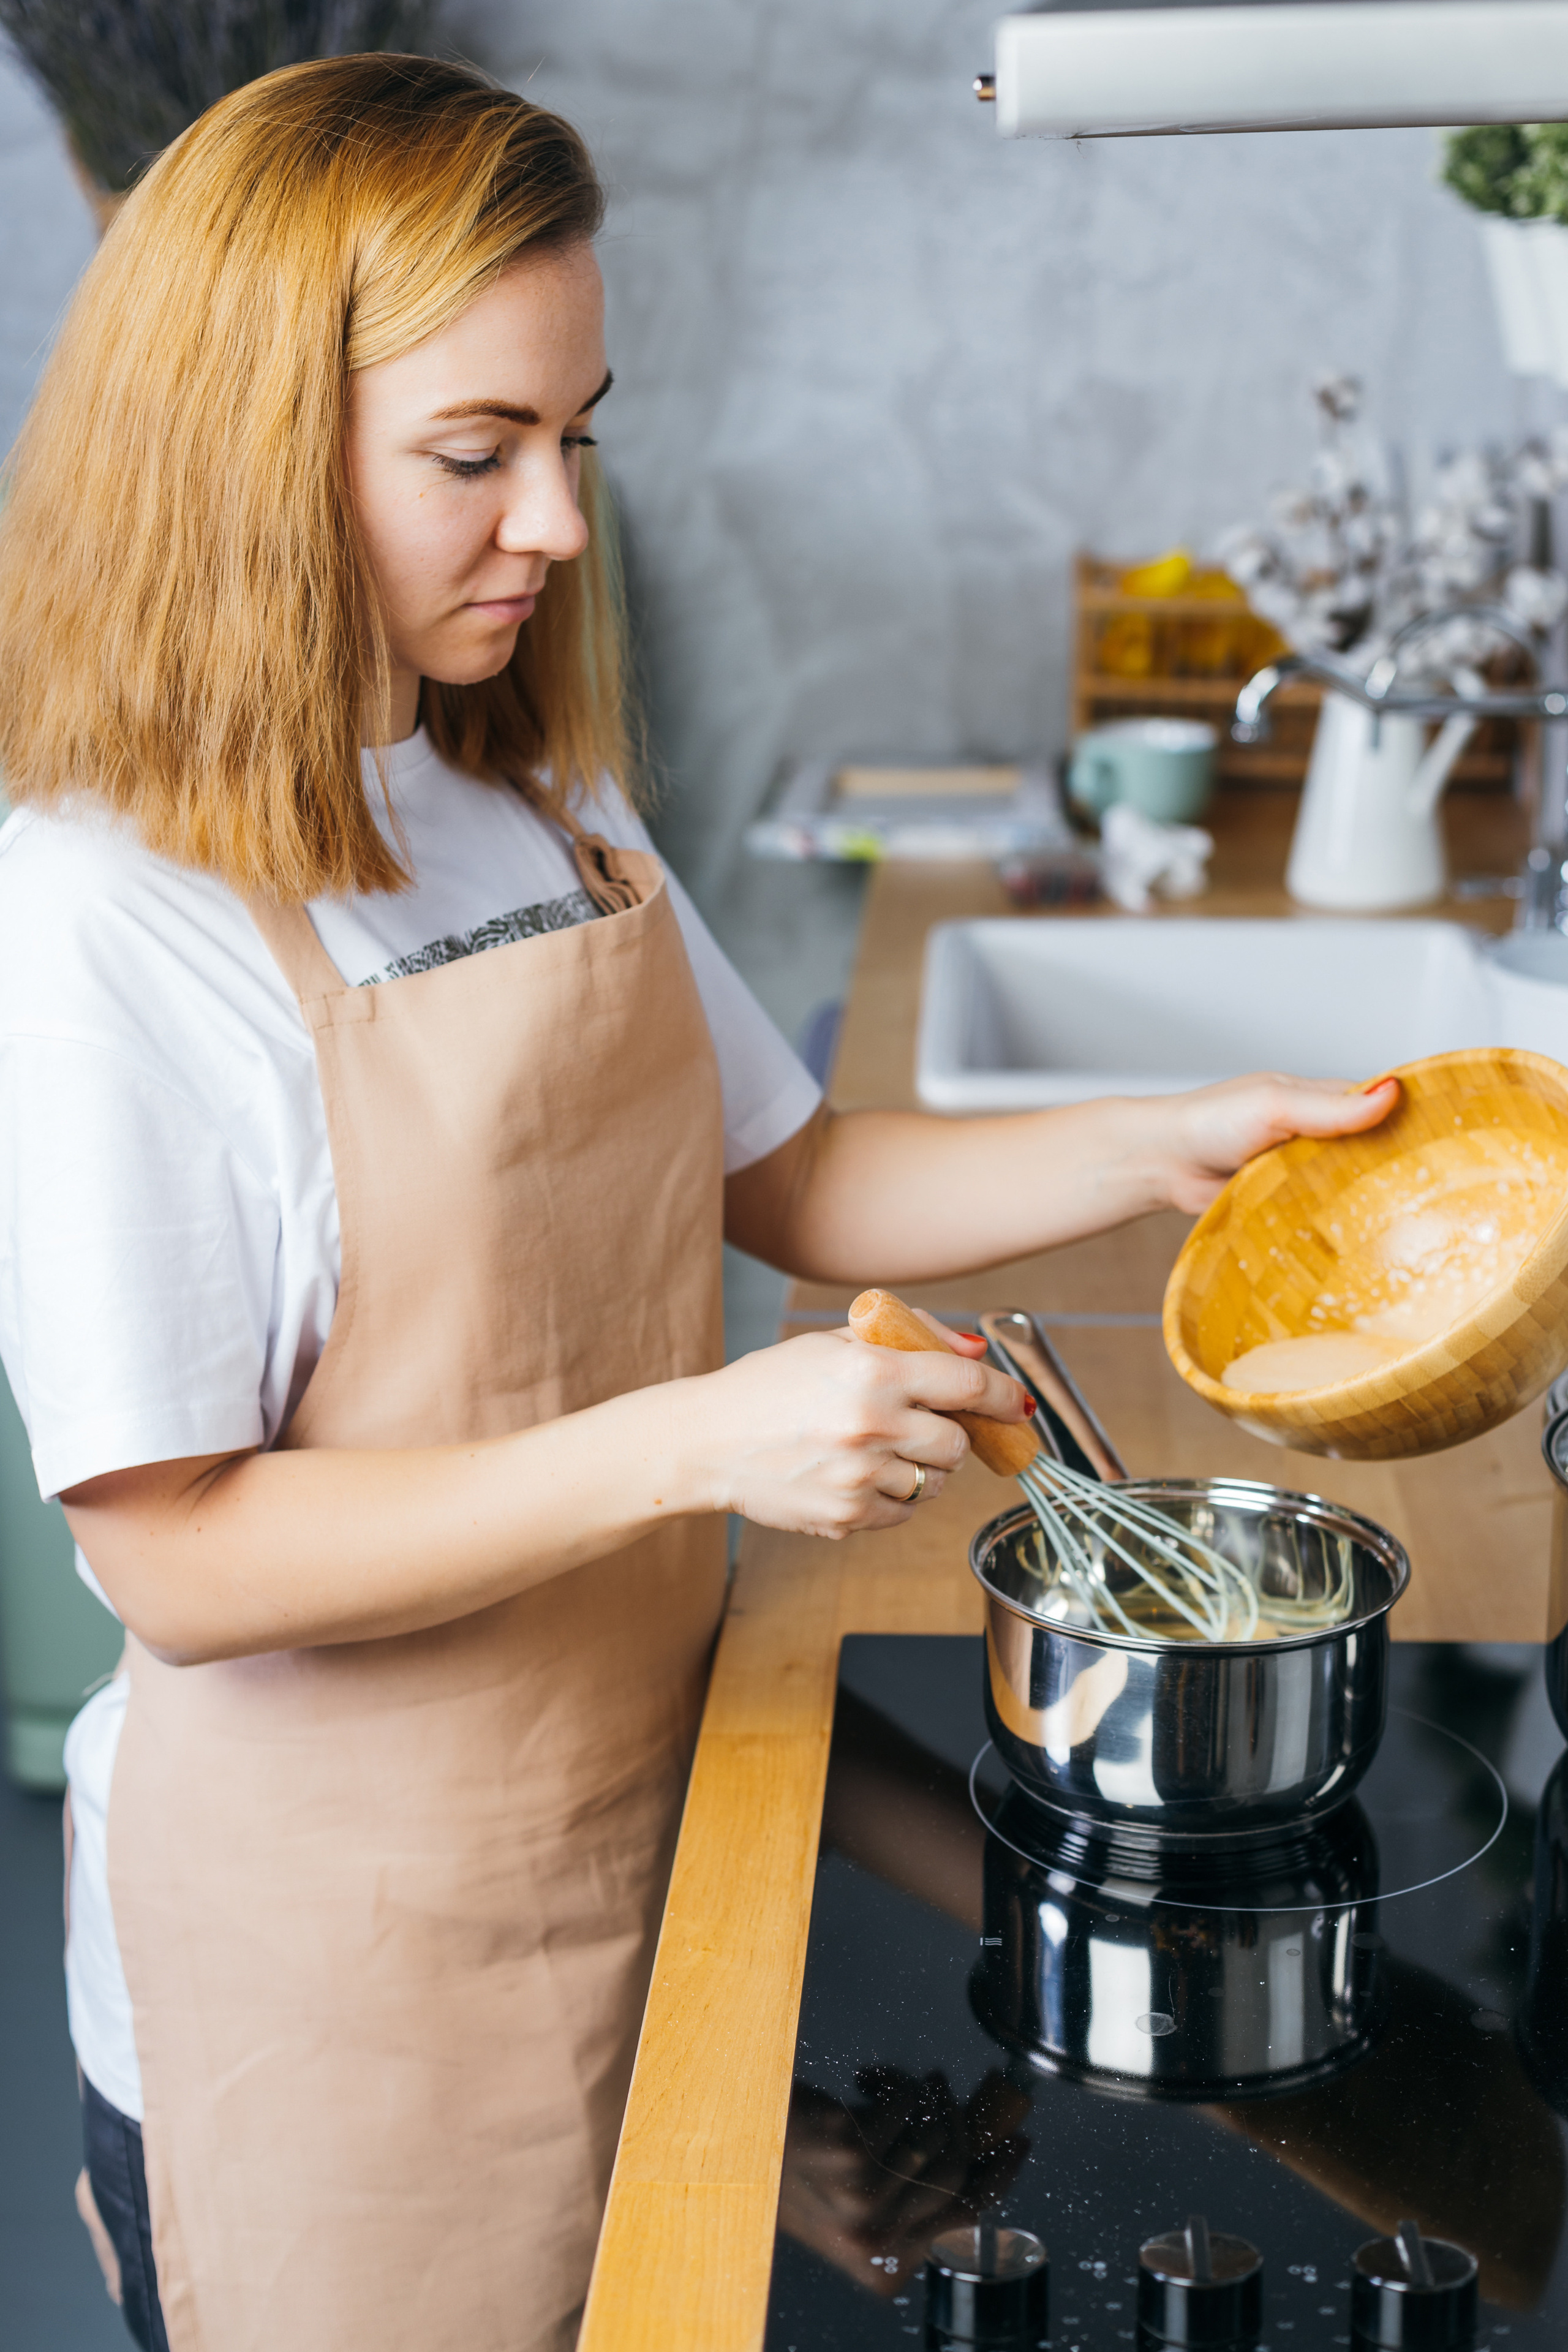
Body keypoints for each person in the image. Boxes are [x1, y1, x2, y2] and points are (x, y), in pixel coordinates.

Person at [0, 51, 1396, 2352]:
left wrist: (1175, 1144)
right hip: (325, 1971)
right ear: (245, 449)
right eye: (478, 453)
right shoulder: (102, 915)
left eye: (579, 435)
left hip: (637, 1823)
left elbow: (797, 1168)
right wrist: (698, 1440)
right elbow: (174, 1551)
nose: (553, 520)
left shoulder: (527, 793)